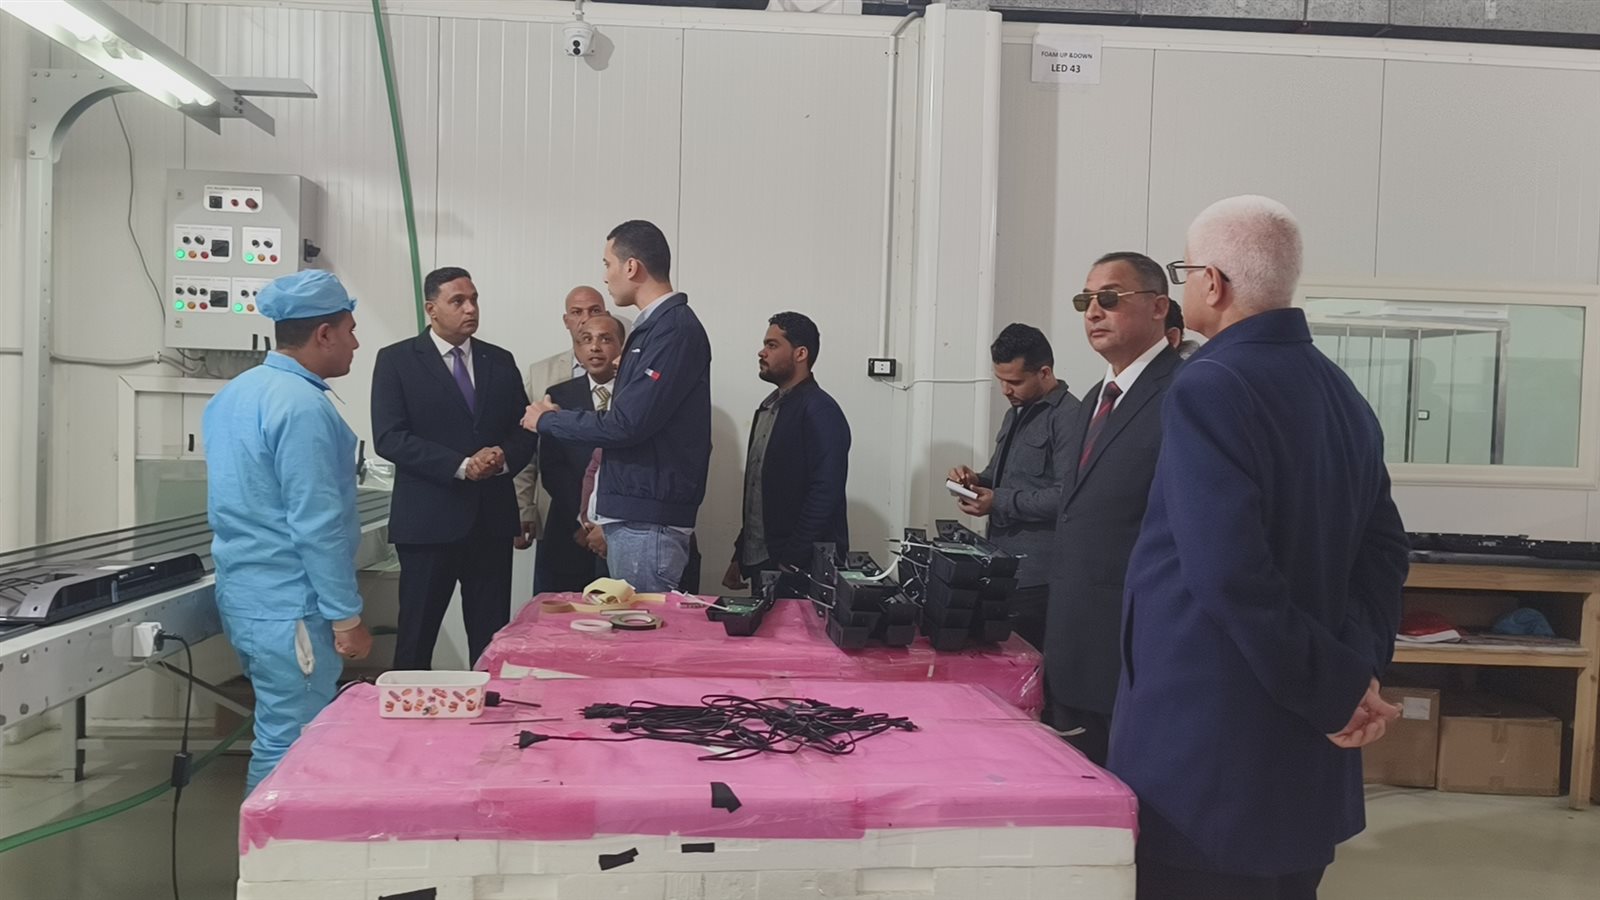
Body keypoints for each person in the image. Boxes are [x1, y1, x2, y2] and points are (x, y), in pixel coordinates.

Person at [1108, 196, 1408, 900]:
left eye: (1185, 271)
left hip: (1213, 759)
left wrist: (1335, 692)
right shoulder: (1341, 391)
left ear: (1212, 283)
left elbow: (1229, 574)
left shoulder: (1210, 385)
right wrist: (1354, 674)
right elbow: (1386, 552)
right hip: (1303, 756)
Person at [202, 269, 373, 794]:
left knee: (282, 728)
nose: (355, 343)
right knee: (292, 740)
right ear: (323, 334)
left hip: (250, 597)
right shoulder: (301, 407)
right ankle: (272, 842)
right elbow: (316, 524)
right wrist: (346, 617)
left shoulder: (234, 395)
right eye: (349, 330)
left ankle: (275, 838)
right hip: (291, 605)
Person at [523, 220, 712, 593]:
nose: (605, 276)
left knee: (639, 630)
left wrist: (549, 420)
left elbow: (626, 423)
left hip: (647, 522)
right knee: (624, 627)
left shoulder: (672, 329)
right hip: (636, 515)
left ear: (631, 267)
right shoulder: (655, 328)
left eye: (608, 264)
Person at [1045, 251, 1181, 764]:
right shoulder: (1095, 398)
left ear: (1158, 306)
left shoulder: (1181, 393)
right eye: (1085, 301)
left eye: (1109, 298)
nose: (1093, 312)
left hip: (1135, 644)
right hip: (1076, 638)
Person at [371, 266, 536, 669]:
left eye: (474, 299)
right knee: (416, 639)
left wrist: (500, 459)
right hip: (428, 525)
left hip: (490, 523)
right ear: (431, 309)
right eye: (458, 301)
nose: (470, 308)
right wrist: (461, 466)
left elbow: (524, 429)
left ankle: (488, 708)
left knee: (491, 641)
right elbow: (390, 437)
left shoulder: (499, 360)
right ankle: (410, 709)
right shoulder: (397, 361)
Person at [946, 324, 1078, 649]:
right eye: (1001, 380)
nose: (1006, 390)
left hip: (1039, 578)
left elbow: (1067, 497)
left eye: (1015, 381)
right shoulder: (1016, 413)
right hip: (1003, 564)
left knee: (1031, 664)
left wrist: (998, 501)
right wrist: (974, 481)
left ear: (1044, 372)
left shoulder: (1069, 417)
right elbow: (1000, 475)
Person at [723, 312, 852, 592]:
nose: (762, 352)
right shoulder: (768, 408)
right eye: (764, 344)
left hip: (799, 569)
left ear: (800, 353)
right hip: (762, 560)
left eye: (772, 345)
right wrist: (740, 554)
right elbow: (759, 491)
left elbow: (825, 492)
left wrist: (791, 561)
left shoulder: (821, 411)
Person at [514, 286, 609, 554]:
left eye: (594, 310)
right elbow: (528, 447)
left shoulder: (630, 379)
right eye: (576, 312)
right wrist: (524, 508)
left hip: (612, 521)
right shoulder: (541, 373)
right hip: (557, 508)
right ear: (566, 320)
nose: (585, 318)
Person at [534, 313, 624, 592]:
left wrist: (607, 526)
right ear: (577, 348)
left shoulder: (637, 395)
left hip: (623, 529)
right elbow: (552, 466)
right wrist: (585, 520)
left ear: (621, 346)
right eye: (586, 340)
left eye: (605, 339)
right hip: (569, 528)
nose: (595, 347)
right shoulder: (558, 395)